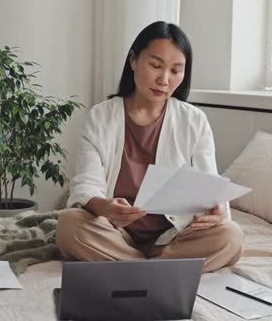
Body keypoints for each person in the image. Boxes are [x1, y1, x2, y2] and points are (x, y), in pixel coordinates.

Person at [56, 21, 243, 273]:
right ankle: (157, 271)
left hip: (175, 237)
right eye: (155, 65)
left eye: (176, 70)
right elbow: (86, 184)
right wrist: (106, 207)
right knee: (69, 225)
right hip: (115, 233)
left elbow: (209, 185)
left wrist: (215, 211)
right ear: (133, 60)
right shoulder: (100, 117)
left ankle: (133, 268)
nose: (164, 80)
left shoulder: (194, 120)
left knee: (231, 236)